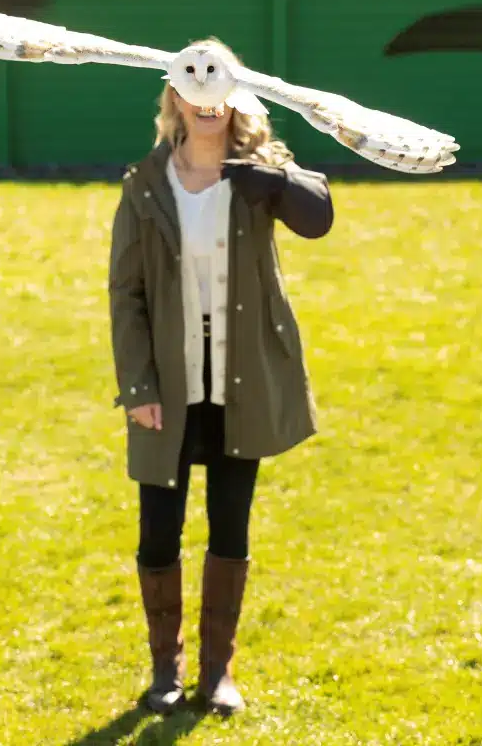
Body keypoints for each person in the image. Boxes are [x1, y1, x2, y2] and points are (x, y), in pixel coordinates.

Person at [108, 38, 335, 717]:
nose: (206, 99)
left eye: (220, 86)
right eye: (192, 85)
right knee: (158, 531)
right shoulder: (145, 183)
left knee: (230, 528)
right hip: (168, 391)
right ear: (175, 98)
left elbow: (319, 217)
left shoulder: (261, 171)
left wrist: (274, 180)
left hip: (242, 383)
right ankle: (165, 672)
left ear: (238, 97)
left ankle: (217, 673)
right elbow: (126, 295)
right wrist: (139, 387)